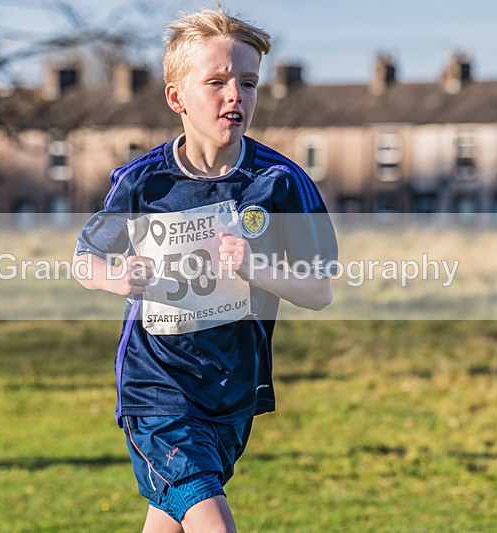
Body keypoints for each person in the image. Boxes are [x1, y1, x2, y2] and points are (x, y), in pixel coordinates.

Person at [73, 7, 337, 532]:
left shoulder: (282, 182)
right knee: (211, 522)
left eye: (247, 82)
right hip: (156, 386)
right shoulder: (142, 182)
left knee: (169, 518)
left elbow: (319, 290)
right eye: (216, 82)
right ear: (177, 97)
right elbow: (85, 260)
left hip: (233, 387)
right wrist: (115, 277)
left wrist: (256, 268)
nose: (234, 96)